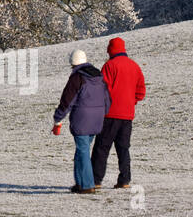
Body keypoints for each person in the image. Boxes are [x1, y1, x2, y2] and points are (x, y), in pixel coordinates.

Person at [52, 49, 110, 194]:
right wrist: (103, 113)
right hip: (97, 120)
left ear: (72, 63)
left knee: (83, 151)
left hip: (82, 120)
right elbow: (107, 99)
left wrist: (58, 118)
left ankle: (87, 185)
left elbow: (67, 101)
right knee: (81, 150)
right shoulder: (98, 75)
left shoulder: (77, 78)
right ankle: (80, 182)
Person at [92, 36, 146, 189]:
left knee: (101, 148)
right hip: (127, 115)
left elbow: (102, 89)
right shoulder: (134, 66)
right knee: (123, 148)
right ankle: (124, 180)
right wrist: (131, 101)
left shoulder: (109, 65)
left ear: (111, 50)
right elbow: (141, 91)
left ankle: (96, 180)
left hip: (110, 115)